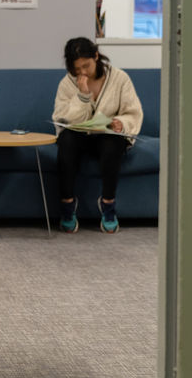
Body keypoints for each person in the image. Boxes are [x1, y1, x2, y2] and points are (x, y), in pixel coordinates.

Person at [52, 36, 143, 234]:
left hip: (106, 136)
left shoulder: (119, 78)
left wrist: (121, 123)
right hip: (79, 137)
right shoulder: (67, 83)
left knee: (113, 143)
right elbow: (62, 117)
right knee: (66, 140)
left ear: (96, 56)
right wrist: (83, 96)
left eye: (86, 65)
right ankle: (67, 206)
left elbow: (133, 111)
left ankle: (108, 205)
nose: (83, 72)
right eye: (77, 69)